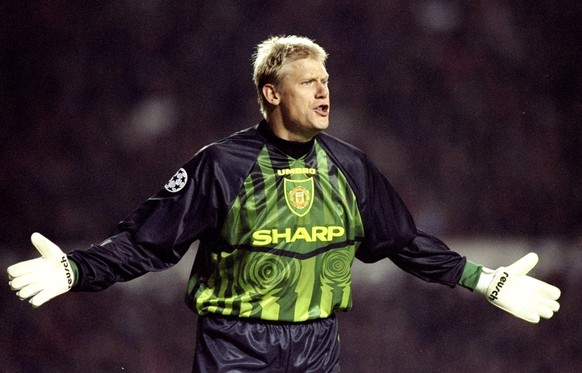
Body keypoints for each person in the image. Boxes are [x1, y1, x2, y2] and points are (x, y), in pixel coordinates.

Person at [7, 35, 561, 373]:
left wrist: (482, 280)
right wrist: (77, 269)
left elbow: (403, 241)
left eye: (326, 81)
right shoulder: (222, 165)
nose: (325, 93)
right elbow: (146, 244)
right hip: (235, 348)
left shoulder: (350, 165)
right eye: (308, 83)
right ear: (272, 94)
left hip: (318, 346)